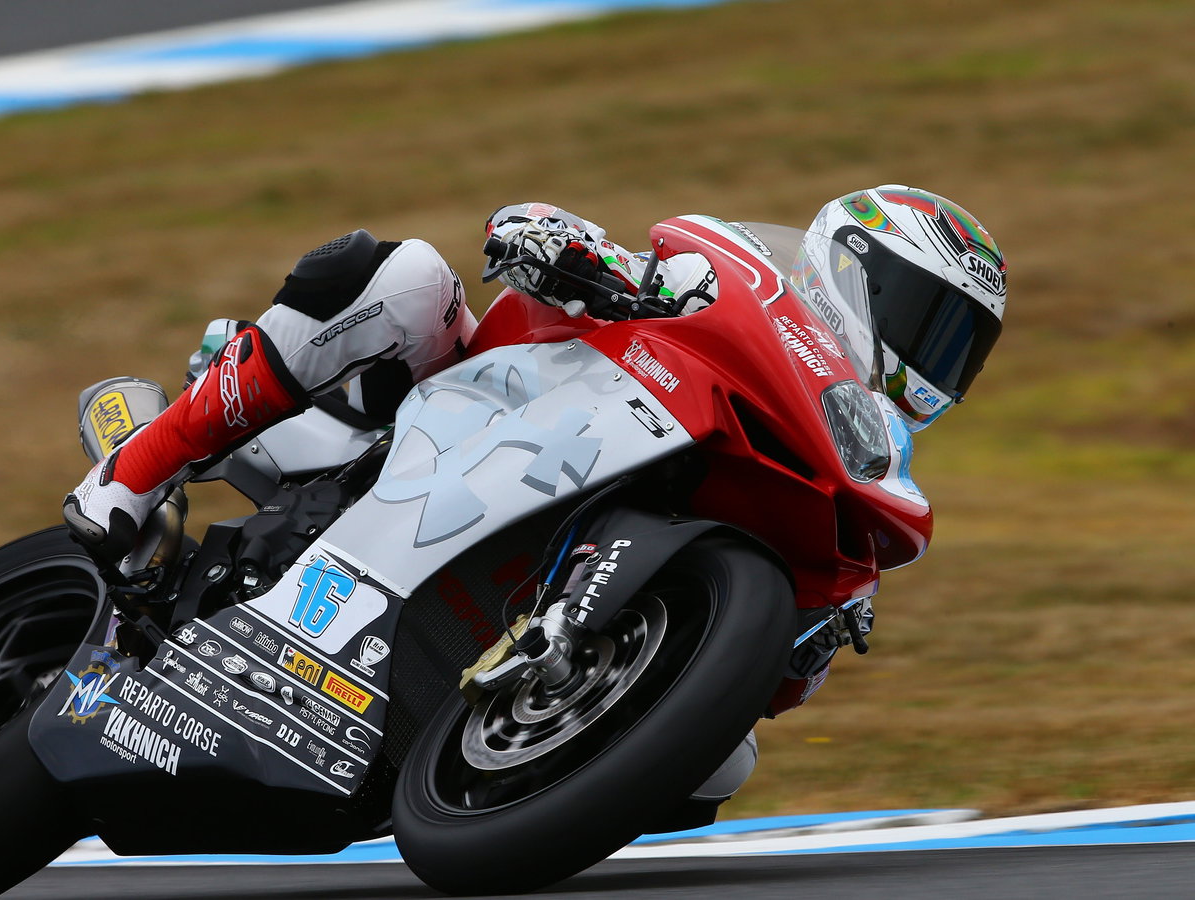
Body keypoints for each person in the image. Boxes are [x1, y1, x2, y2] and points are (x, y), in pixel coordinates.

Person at [60, 185, 1006, 818]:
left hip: (530, 568)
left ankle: (487, 751)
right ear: (854, 268)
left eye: (958, 345)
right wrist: (567, 250)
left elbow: (776, 692)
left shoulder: (855, 457)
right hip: (457, 408)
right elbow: (534, 233)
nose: (934, 357)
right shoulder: (723, 283)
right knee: (410, 276)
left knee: (719, 770)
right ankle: (139, 469)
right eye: (930, 319)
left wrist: (807, 637)